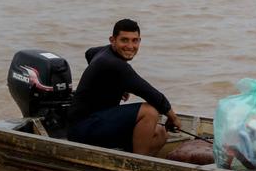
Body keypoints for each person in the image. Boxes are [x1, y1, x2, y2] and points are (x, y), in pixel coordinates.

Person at [68, 18, 180, 155]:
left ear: (139, 41)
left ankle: (128, 157)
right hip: (82, 129)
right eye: (124, 40)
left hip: (100, 121)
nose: (130, 46)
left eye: (135, 40)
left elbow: (89, 53)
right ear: (112, 40)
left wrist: (113, 83)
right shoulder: (115, 65)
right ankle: (137, 163)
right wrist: (173, 118)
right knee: (149, 111)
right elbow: (150, 94)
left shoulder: (103, 52)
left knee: (160, 133)